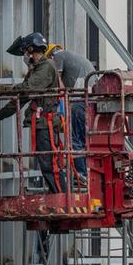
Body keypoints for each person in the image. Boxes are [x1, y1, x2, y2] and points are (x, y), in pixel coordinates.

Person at [0, 32, 64, 193]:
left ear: (31, 49)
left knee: (50, 162)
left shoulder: (46, 66)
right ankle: (57, 194)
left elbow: (27, 89)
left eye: (26, 53)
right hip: (41, 123)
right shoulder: (37, 70)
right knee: (46, 161)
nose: (26, 57)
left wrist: (4, 90)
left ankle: (61, 196)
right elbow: (20, 100)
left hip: (46, 122)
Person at [45, 44, 95, 179]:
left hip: (78, 101)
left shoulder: (58, 56)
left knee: (75, 139)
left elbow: (57, 81)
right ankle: (89, 173)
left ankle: (81, 175)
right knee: (85, 139)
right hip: (91, 101)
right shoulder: (74, 56)